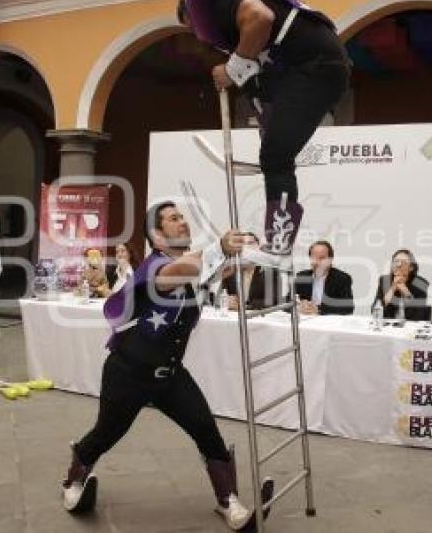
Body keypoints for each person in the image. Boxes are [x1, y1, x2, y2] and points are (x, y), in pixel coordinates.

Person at [62, 201, 272, 530]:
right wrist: (217, 246)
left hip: (170, 376)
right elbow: (181, 272)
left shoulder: (193, 267)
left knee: (206, 430)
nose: (183, 223)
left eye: (183, 218)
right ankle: (73, 481)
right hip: (127, 374)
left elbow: (216, 269)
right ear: (157, 237)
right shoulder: (155, 266)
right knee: (106, 433)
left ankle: (228, 501)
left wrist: (248, 250)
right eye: (174, 219)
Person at [177, 0, 350, 264]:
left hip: (313, 67)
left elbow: (260, 17)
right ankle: (280, 239)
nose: (197, 35)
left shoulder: (219, 2)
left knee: (276, 157)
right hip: (317, 67)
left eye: (190, 26)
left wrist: (232, 69)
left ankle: (280, 245)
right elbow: (261, 84)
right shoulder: (244, 32)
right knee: (275, 149)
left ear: (191, 11)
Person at [222, 232, 281, 310]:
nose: (246, 248)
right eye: (242, 244)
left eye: (250, 243)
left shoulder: (270, 272)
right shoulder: (230, 272)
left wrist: (243, 305)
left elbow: (273, 301)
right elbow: (220, 295)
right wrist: (227, 301)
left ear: (258, 247)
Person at [293, 240, 354, 315]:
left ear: (330, 259)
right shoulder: (302, 277)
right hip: (305, 321)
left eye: (322, 258)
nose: (317, 262)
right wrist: (299, 305)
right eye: (313, 257)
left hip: (328, 323)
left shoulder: (342, 278)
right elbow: (287, 302)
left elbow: (348, 308)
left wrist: (318, 308)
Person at [372, 249, 430, 320]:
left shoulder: (421, 284)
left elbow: (418, 316)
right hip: (387, 328)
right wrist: (393, 288)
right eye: (396, 261)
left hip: (411, 328)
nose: (398, 265)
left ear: (411, 267)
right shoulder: (385, 280)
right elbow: (375, 310)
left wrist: (406, 293)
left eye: (403, 262)